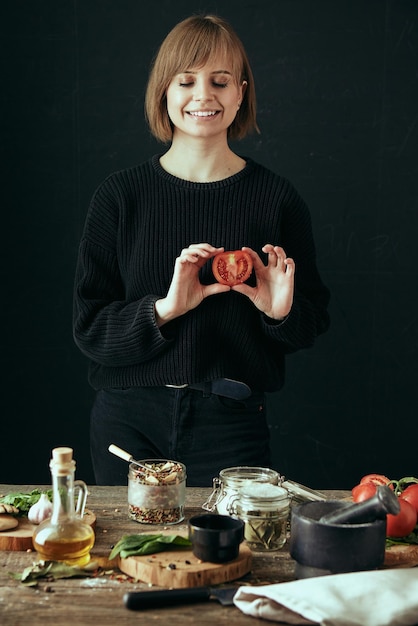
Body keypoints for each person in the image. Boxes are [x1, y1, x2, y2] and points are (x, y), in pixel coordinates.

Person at [73, 14, 330, 487]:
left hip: (231, 420)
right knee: (128, 557)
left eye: (220, 81)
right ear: (164, 93)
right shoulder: (121, 196)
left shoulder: (277, 199)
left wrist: (280, 313)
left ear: (240, 93)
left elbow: (310, 325)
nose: (203, 95)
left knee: (233, 555)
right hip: (129, 419)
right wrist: (165, 310)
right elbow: (89, 330)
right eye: (186, 80)